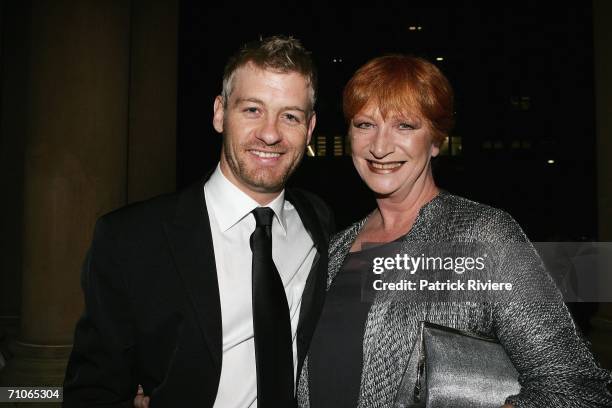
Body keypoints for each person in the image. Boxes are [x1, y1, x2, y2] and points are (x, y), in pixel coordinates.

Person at [298, 55, 612, 407]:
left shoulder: (483, 237)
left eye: (404, 126)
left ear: (436, 140)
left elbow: (577, 387)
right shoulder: (335, 247)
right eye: (365, 124)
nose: (380, 146)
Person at [63, 35, 334, 407]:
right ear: (220, 113)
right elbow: (93, 391)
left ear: (309, 127)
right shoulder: (130, 240)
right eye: (252, 110)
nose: (270, 133)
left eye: (290, 116)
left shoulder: (318, 220)